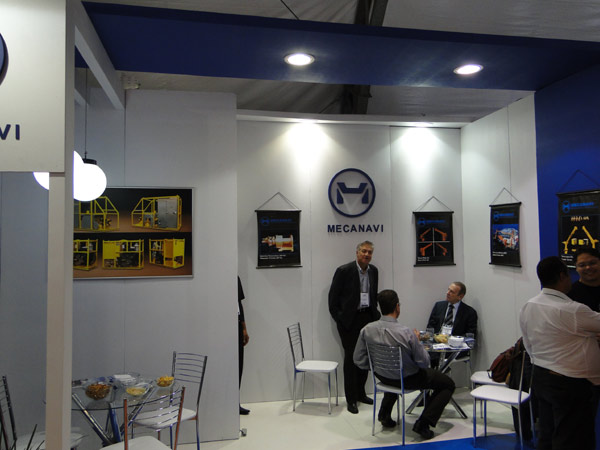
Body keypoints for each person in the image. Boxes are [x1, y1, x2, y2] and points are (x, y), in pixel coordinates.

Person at [519, 256, 600, 450]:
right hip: (570, 383)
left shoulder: (529, 305)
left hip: (541, 376)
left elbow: (527, 343)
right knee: (572, 439)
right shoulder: (573, 310)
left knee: (547, 434)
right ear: (563, 276)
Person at [353, 289, 455, 440]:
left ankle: (384, 414)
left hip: (382, 376)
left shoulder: (367, 329)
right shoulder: (406, 333)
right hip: (407, 379)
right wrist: (417, 341)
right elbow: (424, 362)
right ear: (397, 307)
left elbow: (358, 358)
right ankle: (423, 423)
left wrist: (376, 366)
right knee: (448, 384)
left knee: (395, 372)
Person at [328, 241, 380, 414]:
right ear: (357, 252)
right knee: (351, 359)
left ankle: (361, 394)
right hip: (349, 321)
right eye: (364, 251)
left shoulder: (373, 271)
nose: (367, 255)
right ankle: (351, 399)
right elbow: (332, 300)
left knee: (365, 357)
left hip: (367, 318)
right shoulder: (344, 271)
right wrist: (341, 320)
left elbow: (373, 295)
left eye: (369, 252)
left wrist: (375, 316)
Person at [568, 247, 600, 312]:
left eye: (592, 263)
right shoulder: (570, 294)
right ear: (576, 268)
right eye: (582, 265)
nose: (588, 267)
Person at [238, 276, 250, 415]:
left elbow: (239, 305)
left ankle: (235, 401)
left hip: (236, 325)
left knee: (238, 365)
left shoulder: (235, 278)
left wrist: (244, 328)